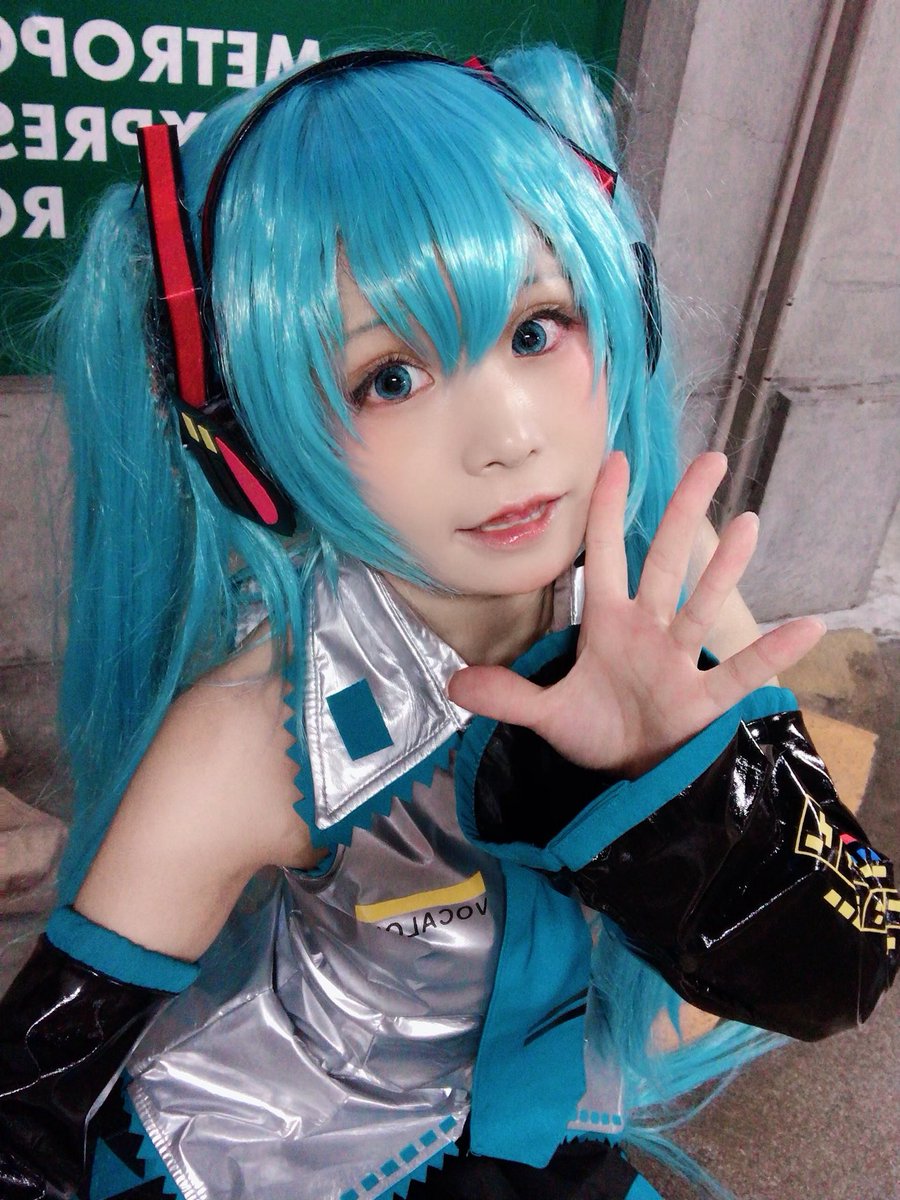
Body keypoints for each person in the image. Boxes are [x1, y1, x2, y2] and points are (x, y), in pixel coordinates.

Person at [0, 45, 896, 1200]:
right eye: (388, 378)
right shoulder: (255, 738)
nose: (508, 436)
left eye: (536, 329)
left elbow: (844, 969)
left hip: (550, 1132)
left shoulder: (670, 604)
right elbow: (25, 1112)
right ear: (250, 443)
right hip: (299, 1161)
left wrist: (686, 782)